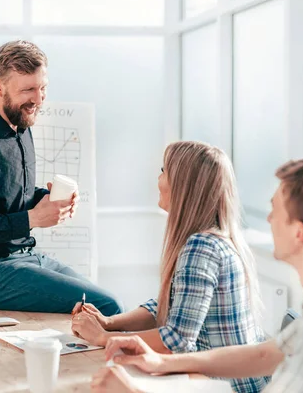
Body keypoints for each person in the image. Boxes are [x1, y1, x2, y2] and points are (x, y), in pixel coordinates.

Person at [91, 157, 303, 393]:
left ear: (298, 232)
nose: (269, 218)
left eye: (274, 210)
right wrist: (160, 362)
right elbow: (265, 354)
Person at [0, 40, 122, 315]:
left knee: (112, 307)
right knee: (107, 306)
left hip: (27, 257)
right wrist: (33, 218)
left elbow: (5, 198)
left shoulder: (21, 127)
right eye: (28, 90)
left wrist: (46, 199)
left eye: (43, 87)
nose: (38, 99)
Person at [72, 141, 268, 393]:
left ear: (183, 184)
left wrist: (102, 338)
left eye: (164, 170)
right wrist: (109, 322)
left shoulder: (202, 246)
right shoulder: (213, 238)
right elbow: (172, 304)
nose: (158, 178)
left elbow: (177, 342)